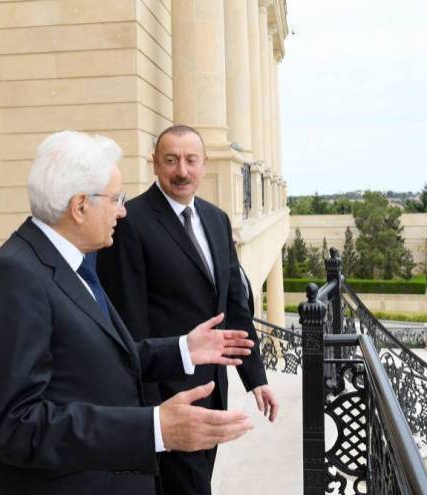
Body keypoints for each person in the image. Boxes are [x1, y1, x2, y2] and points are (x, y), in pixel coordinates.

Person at [0, 131, 257, 495]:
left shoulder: (74, 263)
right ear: (79, 207)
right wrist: (154, 427)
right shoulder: (12, 276)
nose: (123, 211)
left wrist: (183, 348)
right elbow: (15, 425)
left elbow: (99, 359)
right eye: (115, 199)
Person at [97, 124, 279, 494]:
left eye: (191, 160)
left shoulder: (217, 219)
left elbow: (235, 308)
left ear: (204, 164)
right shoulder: (131, 223)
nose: (182, 170)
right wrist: (148, 410)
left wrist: (255, 376)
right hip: (167, 397)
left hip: (212, 389)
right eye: (171, 160)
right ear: (155, 164)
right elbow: (129, 323)